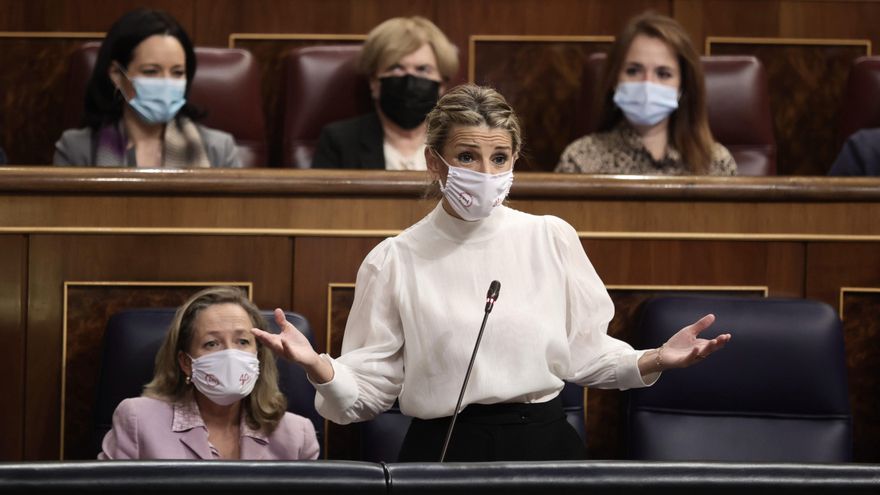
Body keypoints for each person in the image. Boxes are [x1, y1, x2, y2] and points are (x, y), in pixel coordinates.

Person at [255, 84, 731, 462]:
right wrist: (321, 367)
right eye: (467, 157)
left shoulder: (550, 237)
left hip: (543, 448)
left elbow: (586, 353)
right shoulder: (395, 259)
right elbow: (364, 396)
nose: (485, 173)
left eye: (499, 158)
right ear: (433, 163)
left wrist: (654, 360)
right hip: (444, 451)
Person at [99, 287, 319, 460]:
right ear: (186, 362)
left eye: (242, 341)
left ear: (258, 356)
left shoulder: (297, 435)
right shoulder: (138, 421)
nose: (230, 355)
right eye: (212, 343)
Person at [53, 9, 241, 168]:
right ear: (117, 75)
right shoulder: (76, 149)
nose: (166, 83)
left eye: (177, 73)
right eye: (151, 71)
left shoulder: (219, 149)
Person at [556, 12, 735, 176]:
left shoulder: (716, 164)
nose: (647, 84)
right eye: (633, 71)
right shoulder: (580, 160)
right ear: (614, 80)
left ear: (683, 86)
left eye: (663, 74)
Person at [311, 16, 458, 170]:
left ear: (442, 84)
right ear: (374, 83)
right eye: (396, 68)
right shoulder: (339, 141)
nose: (409, 81)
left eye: (422, 69)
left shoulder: (459, 140)